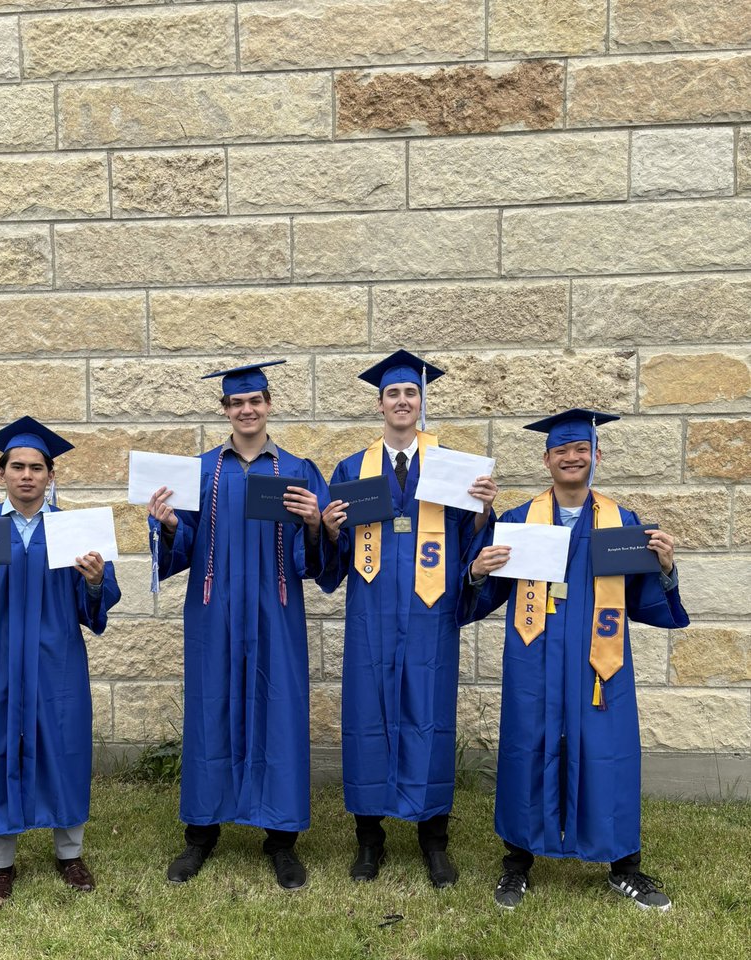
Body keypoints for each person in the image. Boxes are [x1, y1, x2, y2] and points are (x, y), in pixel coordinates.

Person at [464, 408, 689, 911]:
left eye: (580, 449)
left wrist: (668, 568)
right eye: (561, 450)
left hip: (599, 664)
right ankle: (517, 863)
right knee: (528, 747)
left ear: (596, 456)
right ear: (546, 460)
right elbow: (482, 593)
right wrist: (477, 571)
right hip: (535, 658)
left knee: (608, 751)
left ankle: (624, 866)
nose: (571, 457)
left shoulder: (620, 523)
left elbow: (646, 597)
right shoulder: (520, 521)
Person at [0, 417, 121, 908]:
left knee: (64, 747)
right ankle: (1, 866)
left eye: (37, 467)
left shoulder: (72, 530)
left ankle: (69, 855)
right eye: (17, 466)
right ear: (2, 472)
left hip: (56, 664)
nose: (27, 475)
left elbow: (94, 603)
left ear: (50, 476)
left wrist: (95, 580)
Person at [147, 361, 330, 890]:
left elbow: (314, 560)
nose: (246, 410)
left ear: (269, 405)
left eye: (255, 401)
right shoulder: (199, 472)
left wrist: (316, 522)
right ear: (224, 410)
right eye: (235, 403)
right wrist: (168, 524)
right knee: (211, 708)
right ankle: (200, 835)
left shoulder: (298, 470)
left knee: (280, 712)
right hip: (214, 611)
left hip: (276, 613)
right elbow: (180, 549)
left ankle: (282, 841)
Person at [318, 350, 497, 886]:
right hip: (371, 616)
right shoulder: (352, 468)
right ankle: (369, 840)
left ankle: (432, 838)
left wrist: (484, 510)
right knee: (368, 719)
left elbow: (474, 546)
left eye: (410, 394)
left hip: (429, 616)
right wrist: (328, 530)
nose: (402, 401)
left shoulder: (453, 467)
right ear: (379, 404)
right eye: (392, 394)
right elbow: (335, 555)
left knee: (429, 718)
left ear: (422, 403)